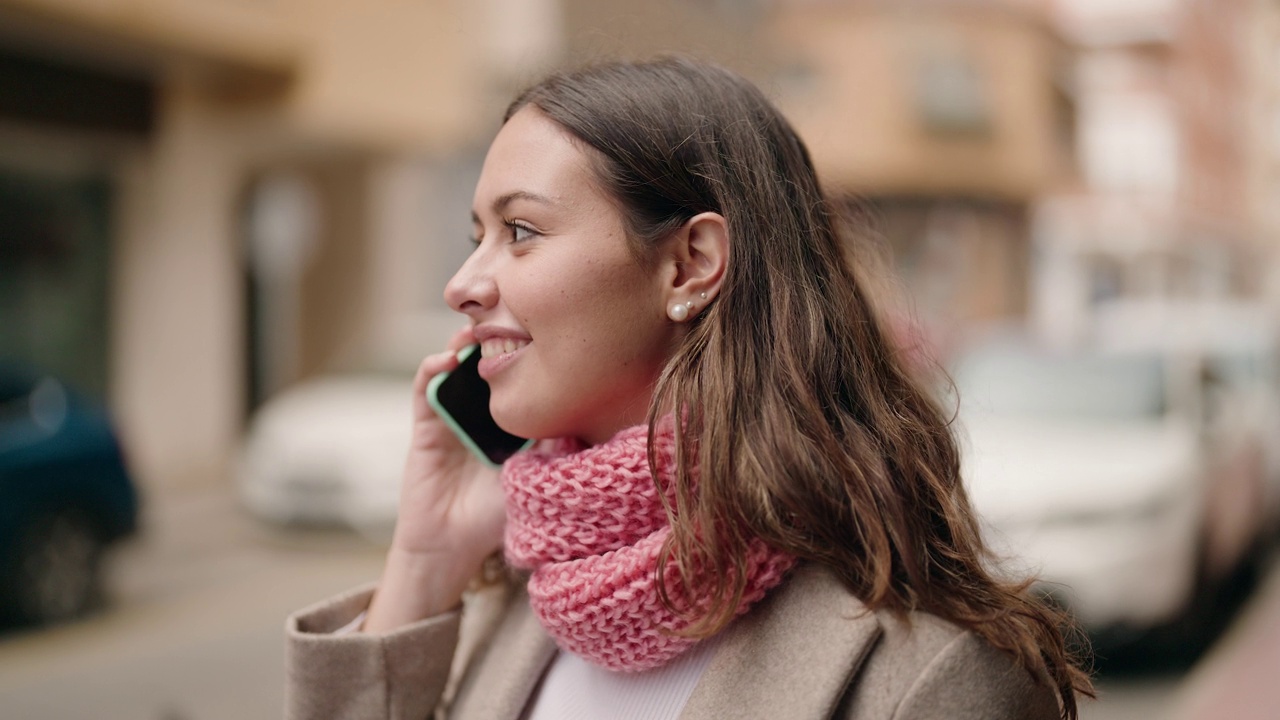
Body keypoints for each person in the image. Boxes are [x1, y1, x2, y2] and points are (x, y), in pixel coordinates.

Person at [285, 57, 1093, 720]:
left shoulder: (928, 677)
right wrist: (426, 561)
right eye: (476, 237)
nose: (463, 283)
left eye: (520, 232)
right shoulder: (528, 597)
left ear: (690, 264)